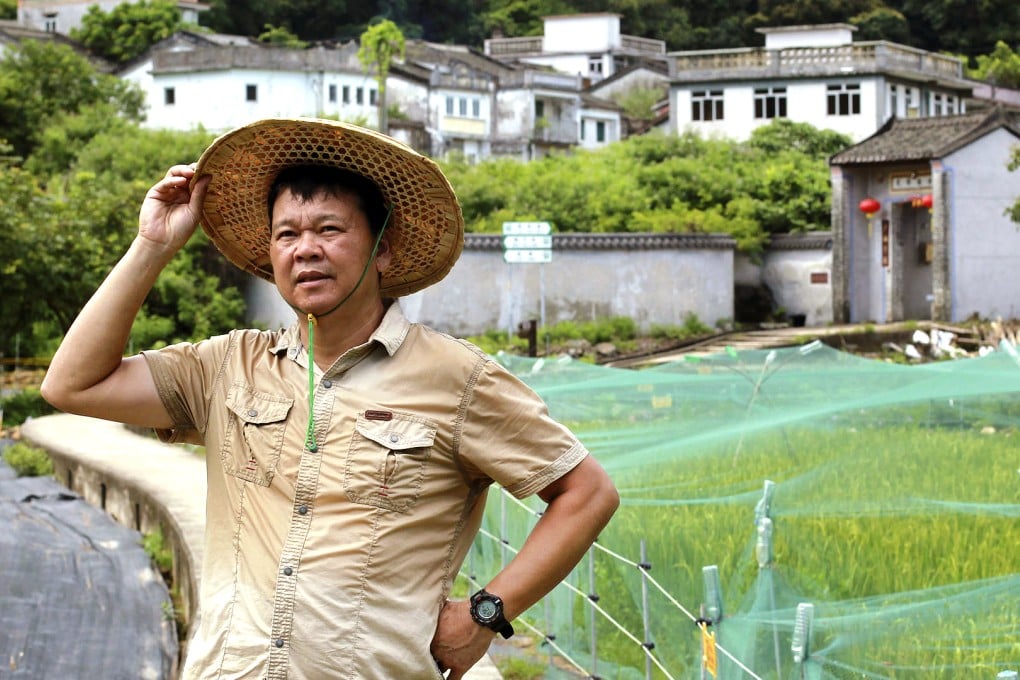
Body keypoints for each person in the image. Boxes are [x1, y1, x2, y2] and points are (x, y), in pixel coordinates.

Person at [41, 118, 619, 680]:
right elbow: (73, 385)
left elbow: (586, 492)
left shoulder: (457, 378)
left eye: (330, 230)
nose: (305, 249)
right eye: (286, 234)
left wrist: (487, 614)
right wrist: (153, 245)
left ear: (383, 250)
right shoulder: (227, 366)